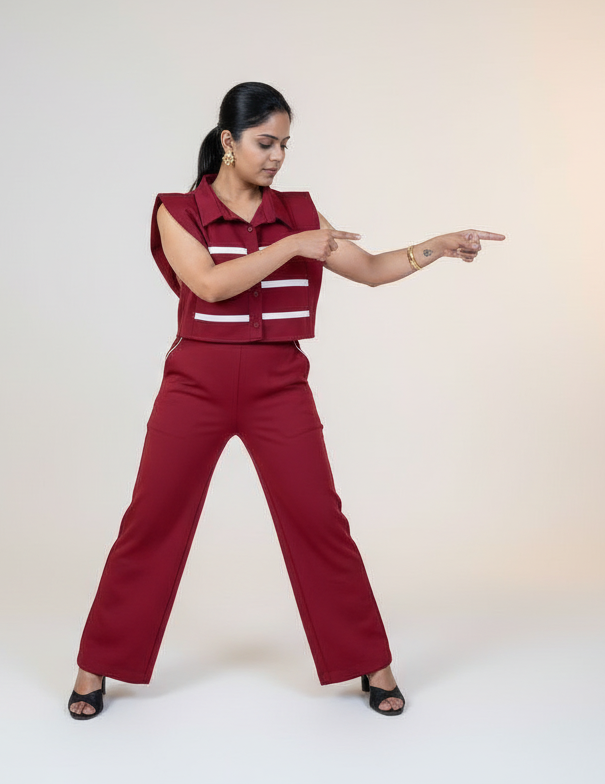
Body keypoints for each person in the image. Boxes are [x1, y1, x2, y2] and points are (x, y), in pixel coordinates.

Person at [68, 82, 503, 719]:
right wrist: (292, 245)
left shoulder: (299, 211)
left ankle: (371, 664)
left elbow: (373, 268)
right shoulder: (177, 210)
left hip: (279, 386)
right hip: (195, 383)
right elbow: (211, 286)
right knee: (152, 519)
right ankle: (95, 666)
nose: (276, 157)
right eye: (265, 143)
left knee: (319, 521)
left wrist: (439, 244)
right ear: (228, 141)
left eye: (285, 145)